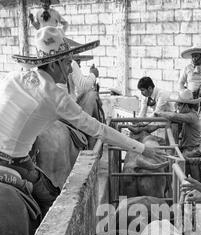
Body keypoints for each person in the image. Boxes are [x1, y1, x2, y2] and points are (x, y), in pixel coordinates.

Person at [0, 27, 164, 217]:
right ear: (54, 65)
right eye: (68, 63)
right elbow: (100, 130)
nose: (70, 69)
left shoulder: (12, 77)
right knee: (53, 205)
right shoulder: (55, 96)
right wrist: (142, 148)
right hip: (16, 162)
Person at [155, 89, 201, 177]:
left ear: (186, 105)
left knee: (182, 171)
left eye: (180, 104)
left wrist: (159, 113)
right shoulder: (189, 115)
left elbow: (173, 116)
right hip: (188, 149)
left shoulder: (191, 116)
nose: (178, 107)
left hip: (191, 151)